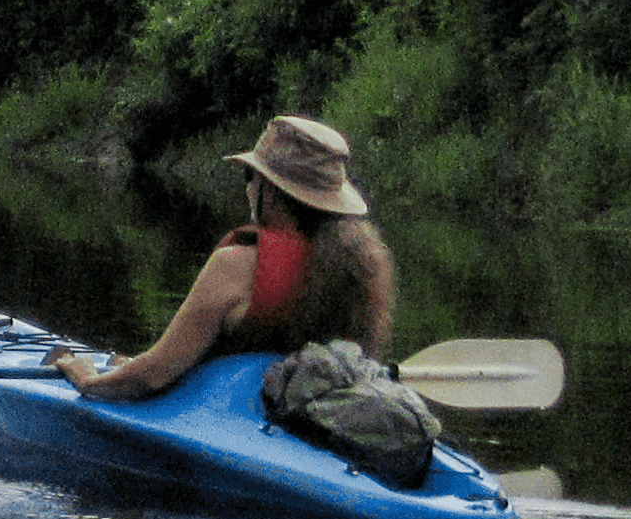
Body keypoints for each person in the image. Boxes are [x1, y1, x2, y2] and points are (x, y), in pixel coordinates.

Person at [50, 115, 396, 400]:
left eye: (251, 176)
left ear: (271, 192)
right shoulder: (359, 268)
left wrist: (88, 380)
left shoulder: (238, 263)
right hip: (305, 414)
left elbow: (152, 376)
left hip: (226, 410)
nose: (247, 187)